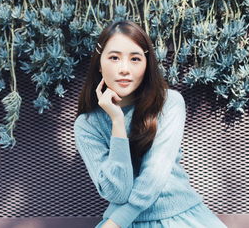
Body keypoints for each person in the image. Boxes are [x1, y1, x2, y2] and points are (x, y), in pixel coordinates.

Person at [74, 20, 228, 228]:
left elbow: (154, 176)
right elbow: (118, 192)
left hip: (179, 217)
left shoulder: (168, 103)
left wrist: (116, 222)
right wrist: (117, 122)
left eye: (135, 59)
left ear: (147, 66)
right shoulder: (88, 125)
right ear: (99, 65)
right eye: (114, 58)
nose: (124, 69)